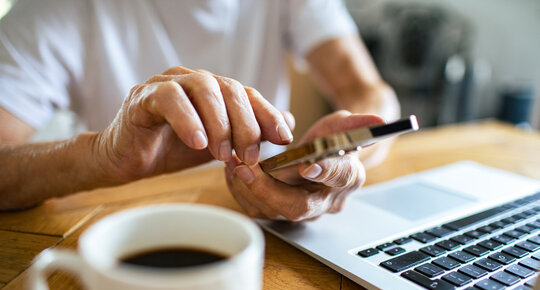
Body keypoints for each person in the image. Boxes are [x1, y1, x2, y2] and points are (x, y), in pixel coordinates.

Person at [0, 0, 399, 220]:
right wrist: (102, 155)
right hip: (122, 233)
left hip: (269, 238)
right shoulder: (51, 11)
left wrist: (338, 157)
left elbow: (371, 93)